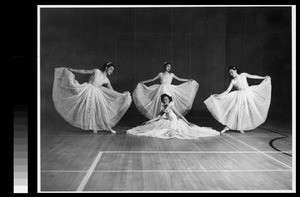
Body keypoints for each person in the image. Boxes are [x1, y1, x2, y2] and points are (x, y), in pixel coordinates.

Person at [52, 61, 132, 134]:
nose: (112, 71)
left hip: (97, 93)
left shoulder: (106, 80)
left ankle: (106, 127)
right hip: (88, 89)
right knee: (88, 108)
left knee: (100, 109)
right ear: (106, 67)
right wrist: (72, 69)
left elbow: (112, 91)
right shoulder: (97, 71)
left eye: (112, 70)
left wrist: (122, 96)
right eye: (111, 69)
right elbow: (84, 71)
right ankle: (94, 127)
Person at [204, 66, 271, 133]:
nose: (231, 74)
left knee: (245, 111)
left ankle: (240, 127)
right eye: (230, 73)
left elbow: (253, 76)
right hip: (240, 96)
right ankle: (227, 126)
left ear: (235, 70)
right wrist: (219, 95)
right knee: (235, 111)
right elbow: (227, 91)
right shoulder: (233, 81)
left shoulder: (243, 75)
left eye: (232, 72)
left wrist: (264, 77)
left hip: (248, 94)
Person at [127, 94, 220, 139]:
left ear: (169, 99)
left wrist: (187, 122)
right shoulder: (164, 108)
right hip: (167, 122)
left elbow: (179, 115)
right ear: (163, 101)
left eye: (166, 99)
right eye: (164, 100)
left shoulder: (171, 106)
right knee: (154, 129)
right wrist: (149, 121)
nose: (165, 101)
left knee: (187, 131)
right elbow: (158, 117)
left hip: (176, 122)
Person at [132, 62, 199, 119]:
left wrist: (188, 80)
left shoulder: (171, 74)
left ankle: (170, 117)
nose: (169, 68)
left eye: (170, 67)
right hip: (161, 89)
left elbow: (179, 79)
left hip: (170, 89)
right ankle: (160, 118)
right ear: (164, 67)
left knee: (170, 103)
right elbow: (152, 79)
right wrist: (143, 82)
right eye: (167, 66)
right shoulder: (160, 74)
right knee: (161, 103)